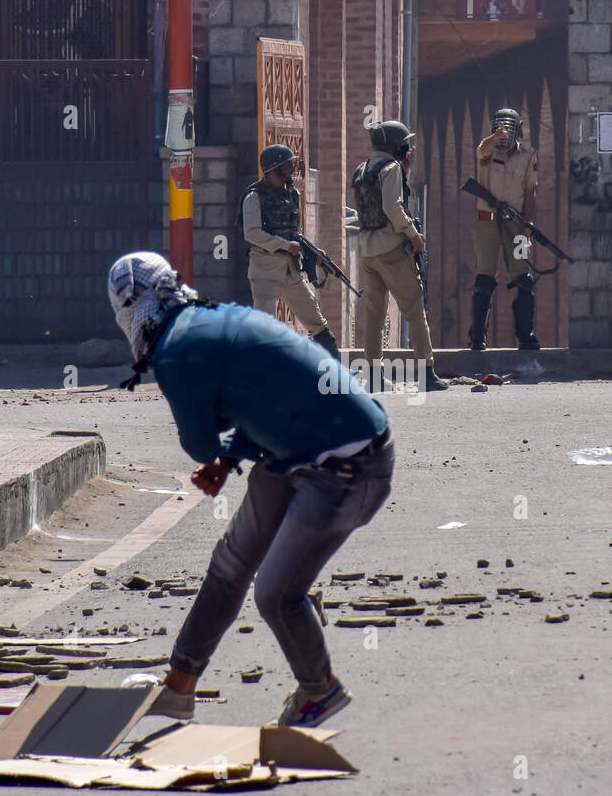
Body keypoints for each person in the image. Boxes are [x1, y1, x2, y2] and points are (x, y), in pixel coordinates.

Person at [108, 251, 393, 728]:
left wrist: (213, 453)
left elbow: (197, 444)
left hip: (347, 466)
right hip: (304, 449)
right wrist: (230, 458)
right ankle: (179, 687)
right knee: (230, 564)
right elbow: (264, 397)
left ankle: (319, 690)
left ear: (129, 311)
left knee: (276, 593)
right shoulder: (211, 317)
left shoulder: (176, 354)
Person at [351, 120, 448, 391]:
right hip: (391, 249)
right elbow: (393, 207)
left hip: (368, 251)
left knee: (375, 313)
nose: (409, 147)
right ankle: (426, 373)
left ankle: (372, 374)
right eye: (405, 143)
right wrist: (413, 235)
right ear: (397, 146)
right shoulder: (391, 168)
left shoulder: (363, 169)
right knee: (414, 309)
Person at [241, 144, 340, 359]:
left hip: (291, 271)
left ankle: (334, 374)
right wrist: (285, 245)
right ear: (272, 169)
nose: (291, 170)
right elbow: (252, 233)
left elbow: (295, 232)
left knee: (316, 321)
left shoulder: (292, 194)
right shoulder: (254, 197)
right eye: (286, 166)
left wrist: (313, 252)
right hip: (265, 270)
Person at [470, 107, 540, 351]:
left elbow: (530, 194)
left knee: (523, 280)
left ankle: (526, 336)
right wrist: (493, 138)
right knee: (485, 279)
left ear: (517, 130)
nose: (504, 133)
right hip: (486, 222)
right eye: (500, 127)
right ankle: (477, 338)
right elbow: (483, 150)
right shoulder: (487, 151)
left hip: (516, 226)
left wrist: (529, 222)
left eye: (509, 128)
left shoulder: (528, 155)